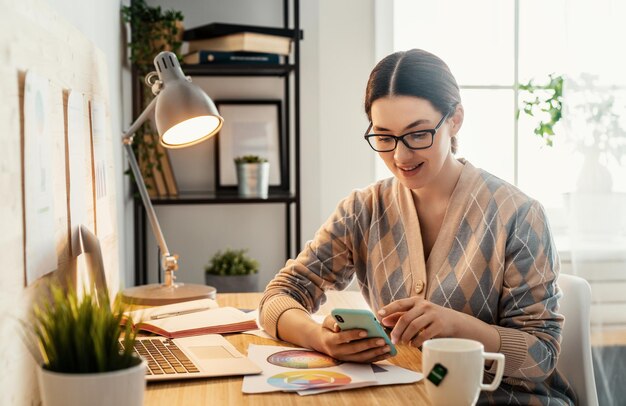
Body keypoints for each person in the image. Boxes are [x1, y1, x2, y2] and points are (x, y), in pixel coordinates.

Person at [258, 49, 575, 405]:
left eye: (418, 134)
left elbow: (542, 356)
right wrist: (321, 339)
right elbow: (278, 297)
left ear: (454, 119)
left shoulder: (517, 215)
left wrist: (459, 328)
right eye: (384, 137)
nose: (400, 156)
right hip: (408, 395)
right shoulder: (363, 209)